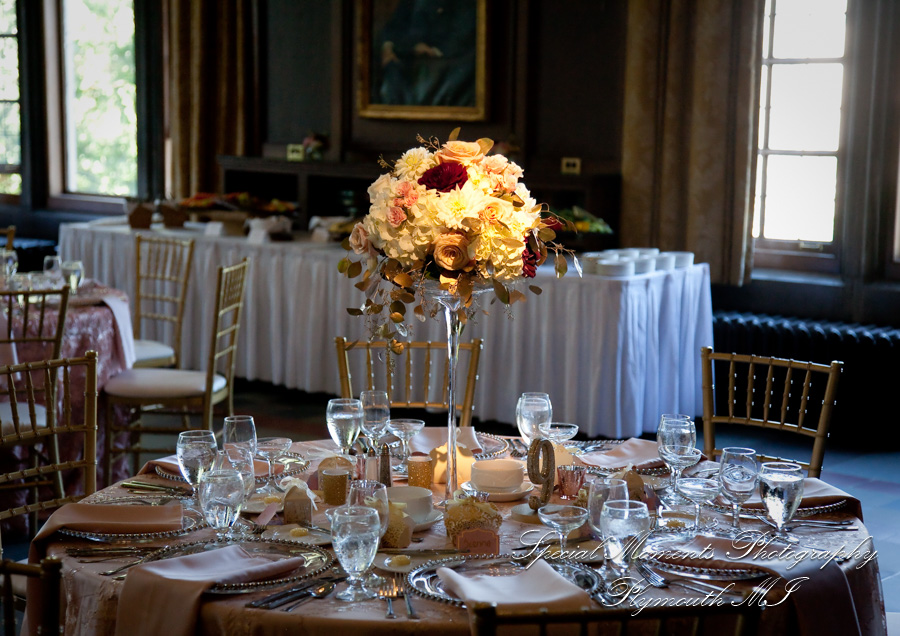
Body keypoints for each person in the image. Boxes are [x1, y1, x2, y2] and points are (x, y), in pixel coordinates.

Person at [372, 0, 477, 107]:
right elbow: (394, 27)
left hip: (446, 61)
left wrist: (433, 51)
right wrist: (389, 46)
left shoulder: (465, 4)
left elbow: (464, 36)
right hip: (407, 56)